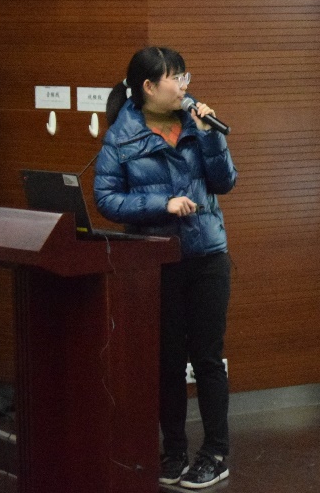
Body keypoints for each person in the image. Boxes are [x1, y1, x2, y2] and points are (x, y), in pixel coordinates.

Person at [94, 46, 237, 489]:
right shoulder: (121, 136)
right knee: (168, 361)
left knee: (207, 358)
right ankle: (174, 452)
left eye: (185, 76)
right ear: (149, 87)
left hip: (207, 255)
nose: (184, 86)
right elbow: (106, 199)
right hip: (158, 260)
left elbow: (225, 181)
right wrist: (162, 203)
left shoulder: (197, 123)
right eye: (175, 78)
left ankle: (215, 453)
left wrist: (210, 136)